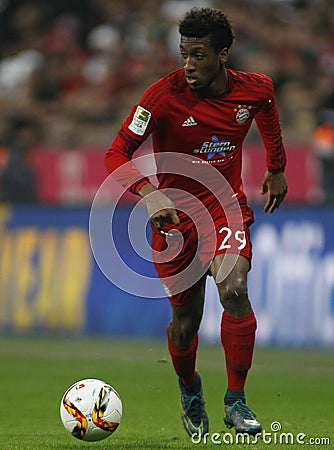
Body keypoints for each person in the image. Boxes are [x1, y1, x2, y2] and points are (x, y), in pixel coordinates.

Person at [105, 7, 287, 438]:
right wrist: (150, 194)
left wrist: (276, 166)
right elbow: (116, 154)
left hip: (225, 208)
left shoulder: (254, 89)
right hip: (175, 221)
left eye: (199, 55)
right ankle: (189, 389)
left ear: (223, 55)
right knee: (185, 322)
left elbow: (267, 110)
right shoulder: (161, 96)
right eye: (184, 53)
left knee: (235, 287)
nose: (188, 64)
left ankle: (236, 402)